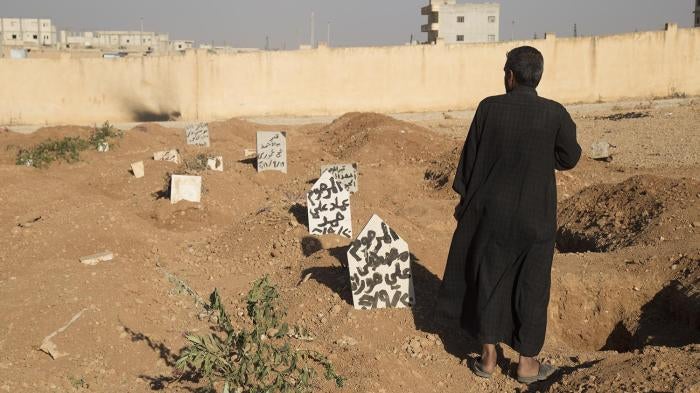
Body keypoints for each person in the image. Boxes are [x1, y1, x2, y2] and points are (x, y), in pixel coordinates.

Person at [436, 46, 581, 384]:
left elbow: (469, 162)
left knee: (487, 278)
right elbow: (570, 156)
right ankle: (527, 365)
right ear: (539, 77)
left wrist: (467, 204)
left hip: (490, 215)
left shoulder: (488, 108)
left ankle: (487, 360)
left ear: (511, 76)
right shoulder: (555, 113)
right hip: (536, 218)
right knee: (532, 285)